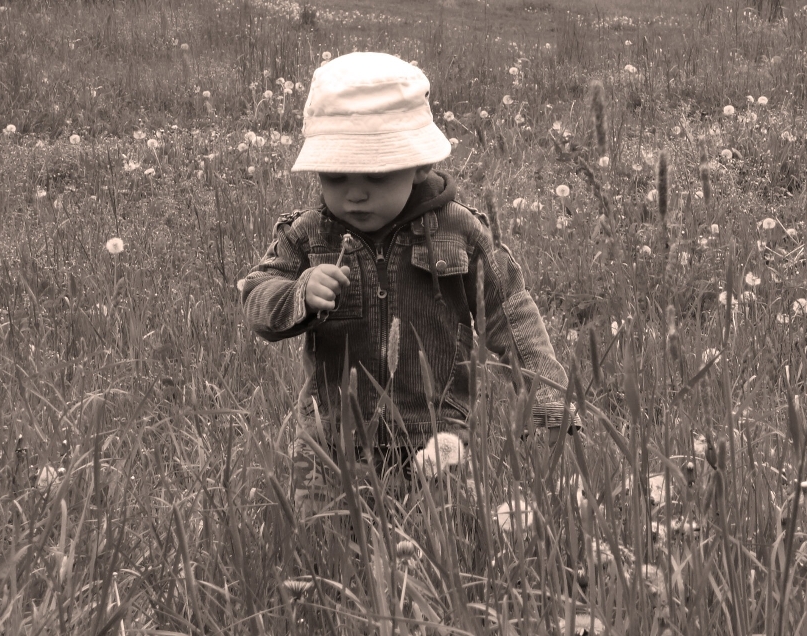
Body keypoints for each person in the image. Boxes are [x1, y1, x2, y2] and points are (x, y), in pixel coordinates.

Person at [240, 52, 571, 515]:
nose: (354, 194)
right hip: (331, 438)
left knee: (447, 540)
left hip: (438, 432)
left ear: (419, 164)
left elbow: (509, 310)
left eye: (375, 175)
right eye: (335, 176)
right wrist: (298, 294)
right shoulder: (310, 235)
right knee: (321, 545)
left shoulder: (460, 231)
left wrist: (549, 399)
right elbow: (256, 295)